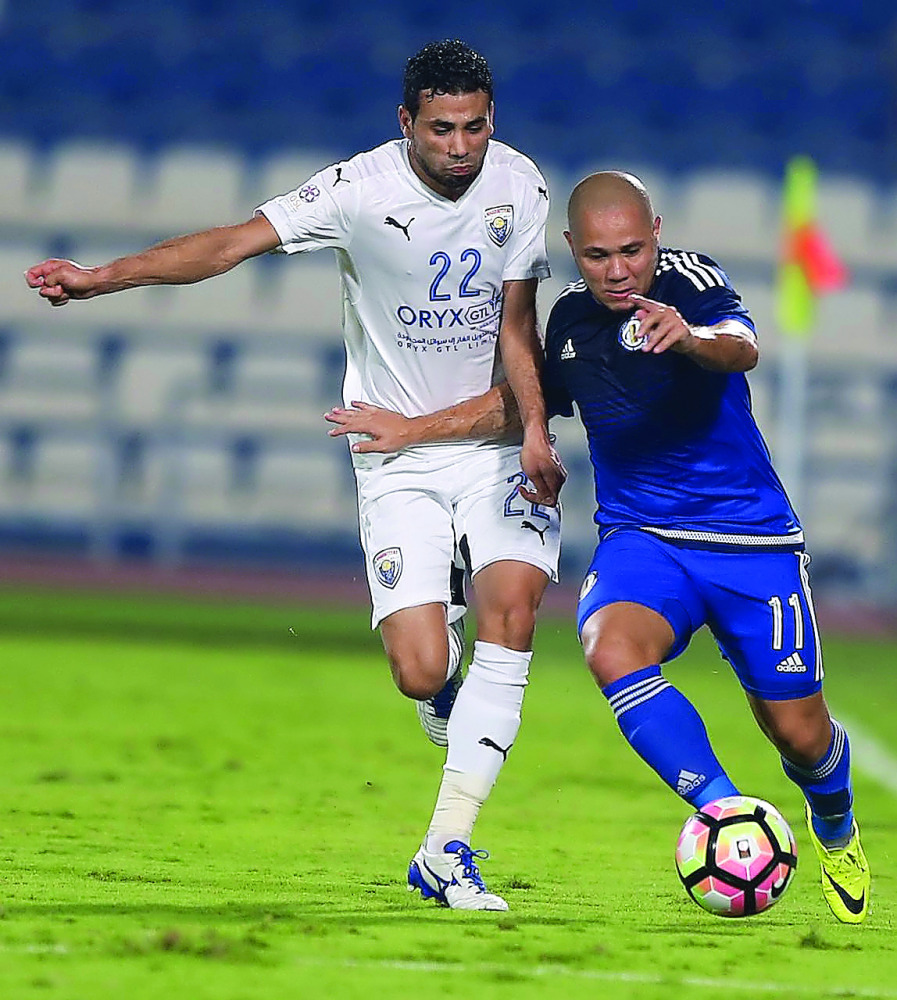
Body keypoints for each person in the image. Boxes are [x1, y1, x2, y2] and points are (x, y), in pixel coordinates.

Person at [24, 39, 565, 912]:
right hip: (392, 454)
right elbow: (232, 244)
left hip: (492, 444)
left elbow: (516, 325)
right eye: (440, 130)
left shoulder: (520, 184)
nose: (459, 148)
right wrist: (100, 280)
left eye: (473, 128)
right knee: (423, 673)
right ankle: (445, 673)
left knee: (515, 605)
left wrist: (536, 429)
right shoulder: (357, 191)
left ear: (490, 121)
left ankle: (446, 847)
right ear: (405, 124)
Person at [331, 170, 871, 925]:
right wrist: (410, 429)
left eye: (631, 250)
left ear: (655, 231)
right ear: (571, 252)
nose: (618, 271)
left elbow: (740, 346)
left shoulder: (689, 283)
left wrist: (687, 337)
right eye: (596, 257)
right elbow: (525, 401)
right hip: (642, 537)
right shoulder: (571, 324)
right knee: (608, 646)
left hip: (748, 541)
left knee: (799, 733)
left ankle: (834, 820)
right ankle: (724, 814)